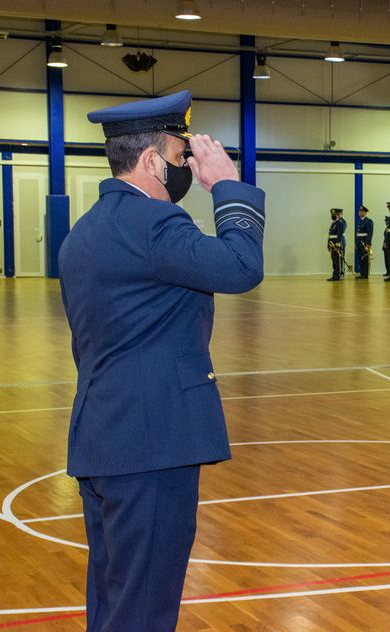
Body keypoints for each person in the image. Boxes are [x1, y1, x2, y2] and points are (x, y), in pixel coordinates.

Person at [59, 90, 265, 632]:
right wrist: (227, 186)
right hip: (152, 444)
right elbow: (241, 267)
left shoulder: (87, 229)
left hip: (105, 437)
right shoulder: (155, 224)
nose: (185, 169)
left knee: (115, 600)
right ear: (152, 161)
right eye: (179, 157)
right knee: (145, 607)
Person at [327, 207, 347, 281]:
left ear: (338, 214)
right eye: (332, 214)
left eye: (334, 214)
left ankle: (339, 275)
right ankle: (335, 275)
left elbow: (339, 235)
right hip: (332, 244)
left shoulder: (340, 223)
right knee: (334, 261)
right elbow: (330, 235)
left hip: (337, 244)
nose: (332, 215)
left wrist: (337, 245)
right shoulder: (333, 223)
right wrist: (328, 245)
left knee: (338, 260)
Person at [355, 205, 374, 279]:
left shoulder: (368, 221)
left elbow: (370, 233)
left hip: (365, 242)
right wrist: (356, 243)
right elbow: (357, 233)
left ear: (365, 213)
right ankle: (361, 273)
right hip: (359, 243)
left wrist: (368, 243)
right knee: (360, 258)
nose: (360, 212)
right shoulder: (358, 221)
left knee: (365, 259)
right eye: (359, 211)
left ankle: (365, 274)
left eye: (362, 211)